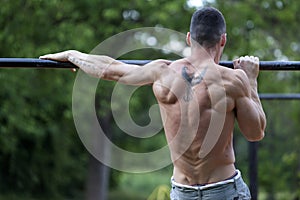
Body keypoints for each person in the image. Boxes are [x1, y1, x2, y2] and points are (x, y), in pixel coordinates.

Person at [40, 7, 266, 200]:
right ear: (223, 40)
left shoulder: (162, 72)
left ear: (189, 38)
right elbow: (255, 132)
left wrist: (73, 55)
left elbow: (110, 69)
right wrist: (252, 80)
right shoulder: (233, 80)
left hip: (182, 190)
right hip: (224, 189)